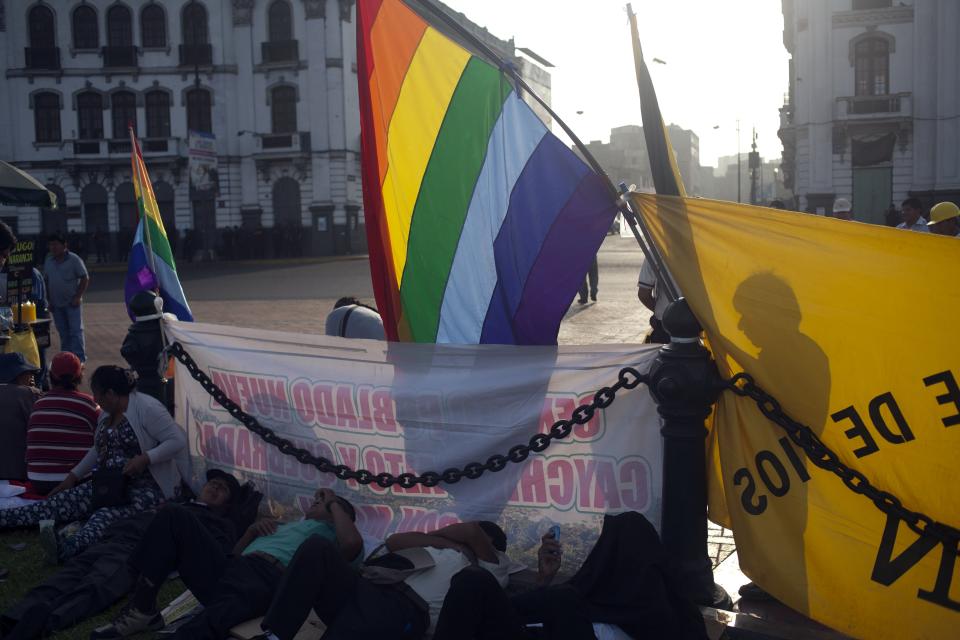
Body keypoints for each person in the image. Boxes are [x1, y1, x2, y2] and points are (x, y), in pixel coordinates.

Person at [2, 469, 245, 640]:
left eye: (222, 489)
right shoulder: (180, 503)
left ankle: (45, 622)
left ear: (226, 504)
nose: (215, 488)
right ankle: (13, 618)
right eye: (213, 483)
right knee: (64, 578)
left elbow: (208, 555)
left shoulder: (217, 524)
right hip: (115, 539)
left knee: (96, 586)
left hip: (136, 551)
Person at [97, 487, 362, 640]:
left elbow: (352, 546)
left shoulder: (331, 539)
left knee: (203, 626)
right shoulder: (285, 526)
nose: (316, 503)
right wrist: (250, 533)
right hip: (233, 570)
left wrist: (335, 504)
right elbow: (233, 557)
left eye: (322, 504)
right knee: (173, 515)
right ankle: (143, 608)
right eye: (318, 501)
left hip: (267, 581)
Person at [0, 366, 187, 563]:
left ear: (111, 394)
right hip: (110, 485)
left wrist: (146, 458)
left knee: (103, 517)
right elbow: (97, 449)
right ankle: (6, 519)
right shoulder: (107, 414)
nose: (95, 399)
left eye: (98, 394)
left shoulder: (148, 408)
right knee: (59, 502)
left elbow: (176, 441)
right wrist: (72, 478)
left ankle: (66, 549)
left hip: (145, 490)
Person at [256, 520, 510, 640]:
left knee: (362, 624)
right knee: (317, 548)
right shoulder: (443, 548)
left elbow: (470, 531)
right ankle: (275, 635)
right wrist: (444, 542)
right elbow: (395, 542)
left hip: (403, 607)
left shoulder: (492, 565)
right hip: (364, 587)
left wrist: (459, 541)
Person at [25, 352, 100, 496]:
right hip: (74, 481)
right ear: (79, 376)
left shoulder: (38, 404)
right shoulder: (90, 404)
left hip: (37, 479)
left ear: (51, 376)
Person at [43, 233, 90, 363]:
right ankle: (67, 360)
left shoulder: (74, 259)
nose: (53, 247)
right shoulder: (48, 261)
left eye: (55, 244)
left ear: (64, 245)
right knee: (63, 334)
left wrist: (78, 296)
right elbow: (46, 281)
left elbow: (85, 278)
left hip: (72, 304)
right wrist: (49, 301)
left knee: (76, 332)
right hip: (56, 305)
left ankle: (80, 361)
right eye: (50, 245)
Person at [0, 353, 42, 482]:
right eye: (29, 373)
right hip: (20, 476)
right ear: (19, 375)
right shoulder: (30, 394)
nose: (32, 377)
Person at [637, 256, 672, 344]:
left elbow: (644, 294)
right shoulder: (700, 247)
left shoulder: (654, 251)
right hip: (695, 323)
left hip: (664, 322)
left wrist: (660, 310)